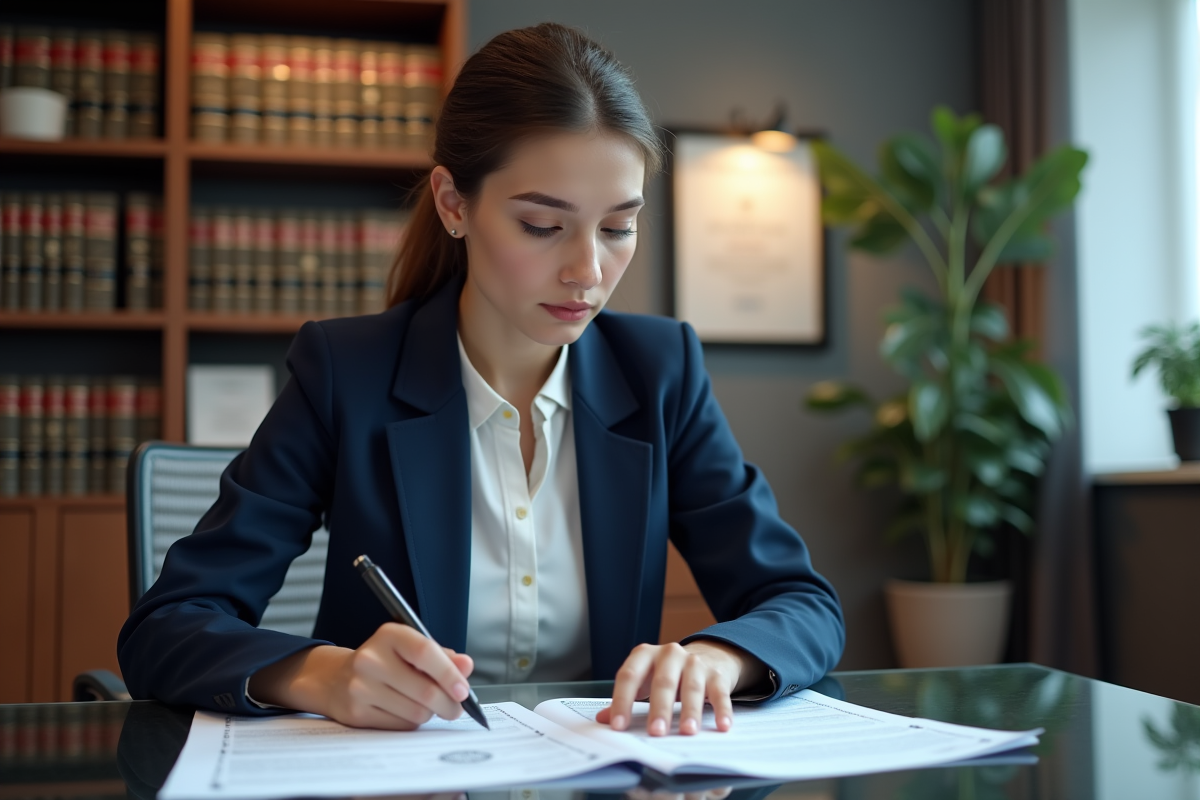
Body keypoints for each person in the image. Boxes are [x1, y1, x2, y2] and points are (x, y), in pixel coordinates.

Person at [117, 22, 844, 738]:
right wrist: (324, 675)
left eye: (618, 227)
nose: (588, 272)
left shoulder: (660, 374)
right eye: (541, 225)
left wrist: (722, 656)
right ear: (453, 203)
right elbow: (169, 626)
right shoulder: (347, 374)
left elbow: (802, 603)